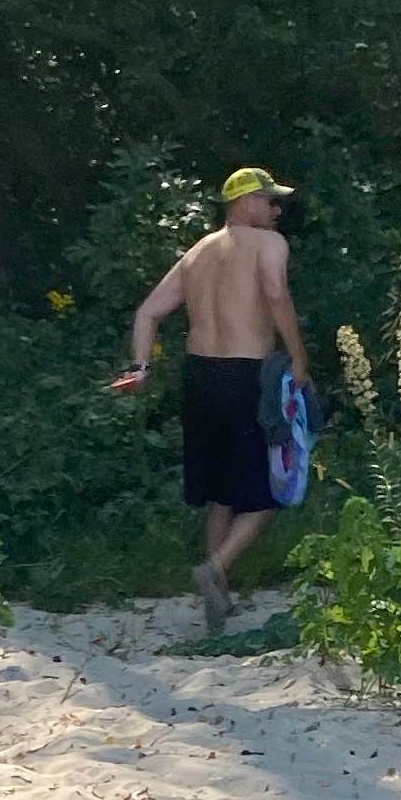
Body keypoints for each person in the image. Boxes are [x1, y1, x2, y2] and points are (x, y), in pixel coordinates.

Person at [110, 168, 311, 632]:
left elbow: (148, 313)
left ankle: (215, 603)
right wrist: (298, 357)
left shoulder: (197, 253)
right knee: (271, 490)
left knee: (222, 493)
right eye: (270, 201)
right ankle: (215, 569)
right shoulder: (269, 245)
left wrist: (140, 369)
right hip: (246, 375)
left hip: (199, 377)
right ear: (244, 202)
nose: (277, 210)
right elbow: (276, 294)